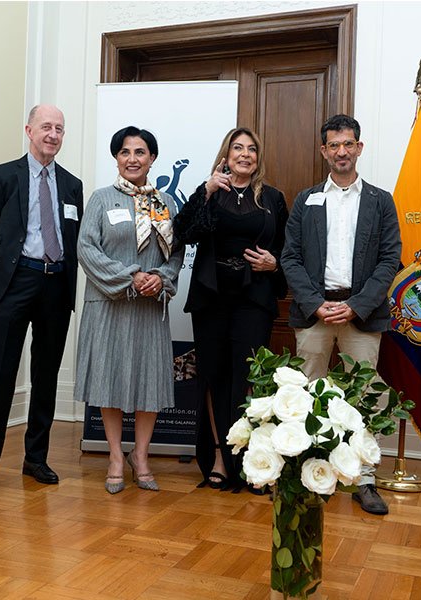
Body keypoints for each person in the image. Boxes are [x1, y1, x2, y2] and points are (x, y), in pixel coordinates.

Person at [281, 114, 401, 515]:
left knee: (364, 395)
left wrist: (356, 305)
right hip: (315, 310)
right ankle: (310, 474)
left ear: (359, 148)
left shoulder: (380, 201)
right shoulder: (306, 199)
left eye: (348, 144)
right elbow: (290, 258)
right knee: (307, 395)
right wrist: (316, 303)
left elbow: (389, 260)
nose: (341, 151)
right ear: (324, 151)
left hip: (361, 312)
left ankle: (365, 479)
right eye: (333, 145)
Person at [0, 104, 84, 501]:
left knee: (46, 376)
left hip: (56, 285)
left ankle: (36, 458)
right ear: (29, 130)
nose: (53, 134)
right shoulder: (1, 176)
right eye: (46, 127)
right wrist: (4, 276)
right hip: (15, 283)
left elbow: (72, 237)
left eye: (60, 129)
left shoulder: (72, 184)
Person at [173, 128, 288, 493]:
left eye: (252, 149)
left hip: (253, 300)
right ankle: (220, 457)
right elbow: (182, 233)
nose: (245, 154)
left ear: (258, 157)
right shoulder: (209, 193)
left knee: (250, 381)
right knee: (214, 378)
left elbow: (290, 251)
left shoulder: (272, 198)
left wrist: (275, 264)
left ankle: (255, 463)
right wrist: (206, 190)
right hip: (212, 299)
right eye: (237, 148)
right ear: (226, 154)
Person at [74, 126, 185, 494]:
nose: (132, 159)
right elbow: (87, 250)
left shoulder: (166, 203)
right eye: (125, 152)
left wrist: (160, 277)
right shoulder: (101, 199)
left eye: (140, 152)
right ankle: (115, 457)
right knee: (110, 379)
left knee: (149, 381)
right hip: (110, 304)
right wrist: (130, 276)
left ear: (152, 158)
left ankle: (141, 455)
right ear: (116, 158)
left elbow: (177, 255)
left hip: (150, 307)